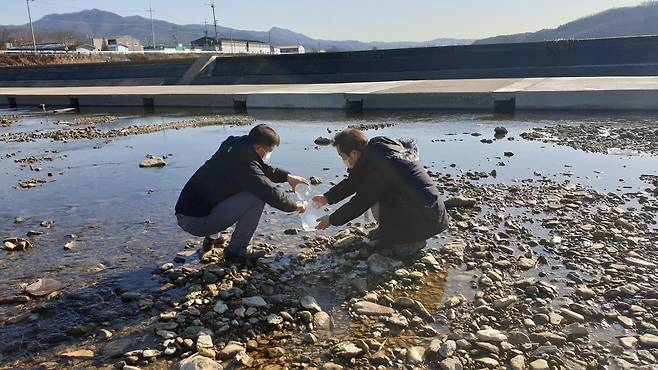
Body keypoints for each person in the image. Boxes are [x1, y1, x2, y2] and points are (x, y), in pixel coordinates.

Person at [175, 124, 307, 262]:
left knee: (230, 186)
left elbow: (260, 169)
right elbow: (270, 193)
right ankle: (237, 249)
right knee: (256, 197)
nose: (268, 155)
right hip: (196, 222)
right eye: (268, 151)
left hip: (186, 214)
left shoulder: (234, 147)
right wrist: (296, 206)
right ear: (258, 148)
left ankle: (213, 237)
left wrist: (287, 177)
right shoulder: (245, 165)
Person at [314, 129, 449, 257]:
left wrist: (332, 220)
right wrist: (327, 197)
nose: (342, 159)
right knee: (380, 196)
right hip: (432, 212)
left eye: (341, 155)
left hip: (427, 220)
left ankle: (405, 241)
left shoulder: (382, 166)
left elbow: (361, 201)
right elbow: (353, 181)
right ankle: (396, 231)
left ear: (353, 153)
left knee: (375, 200)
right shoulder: (376, 152)